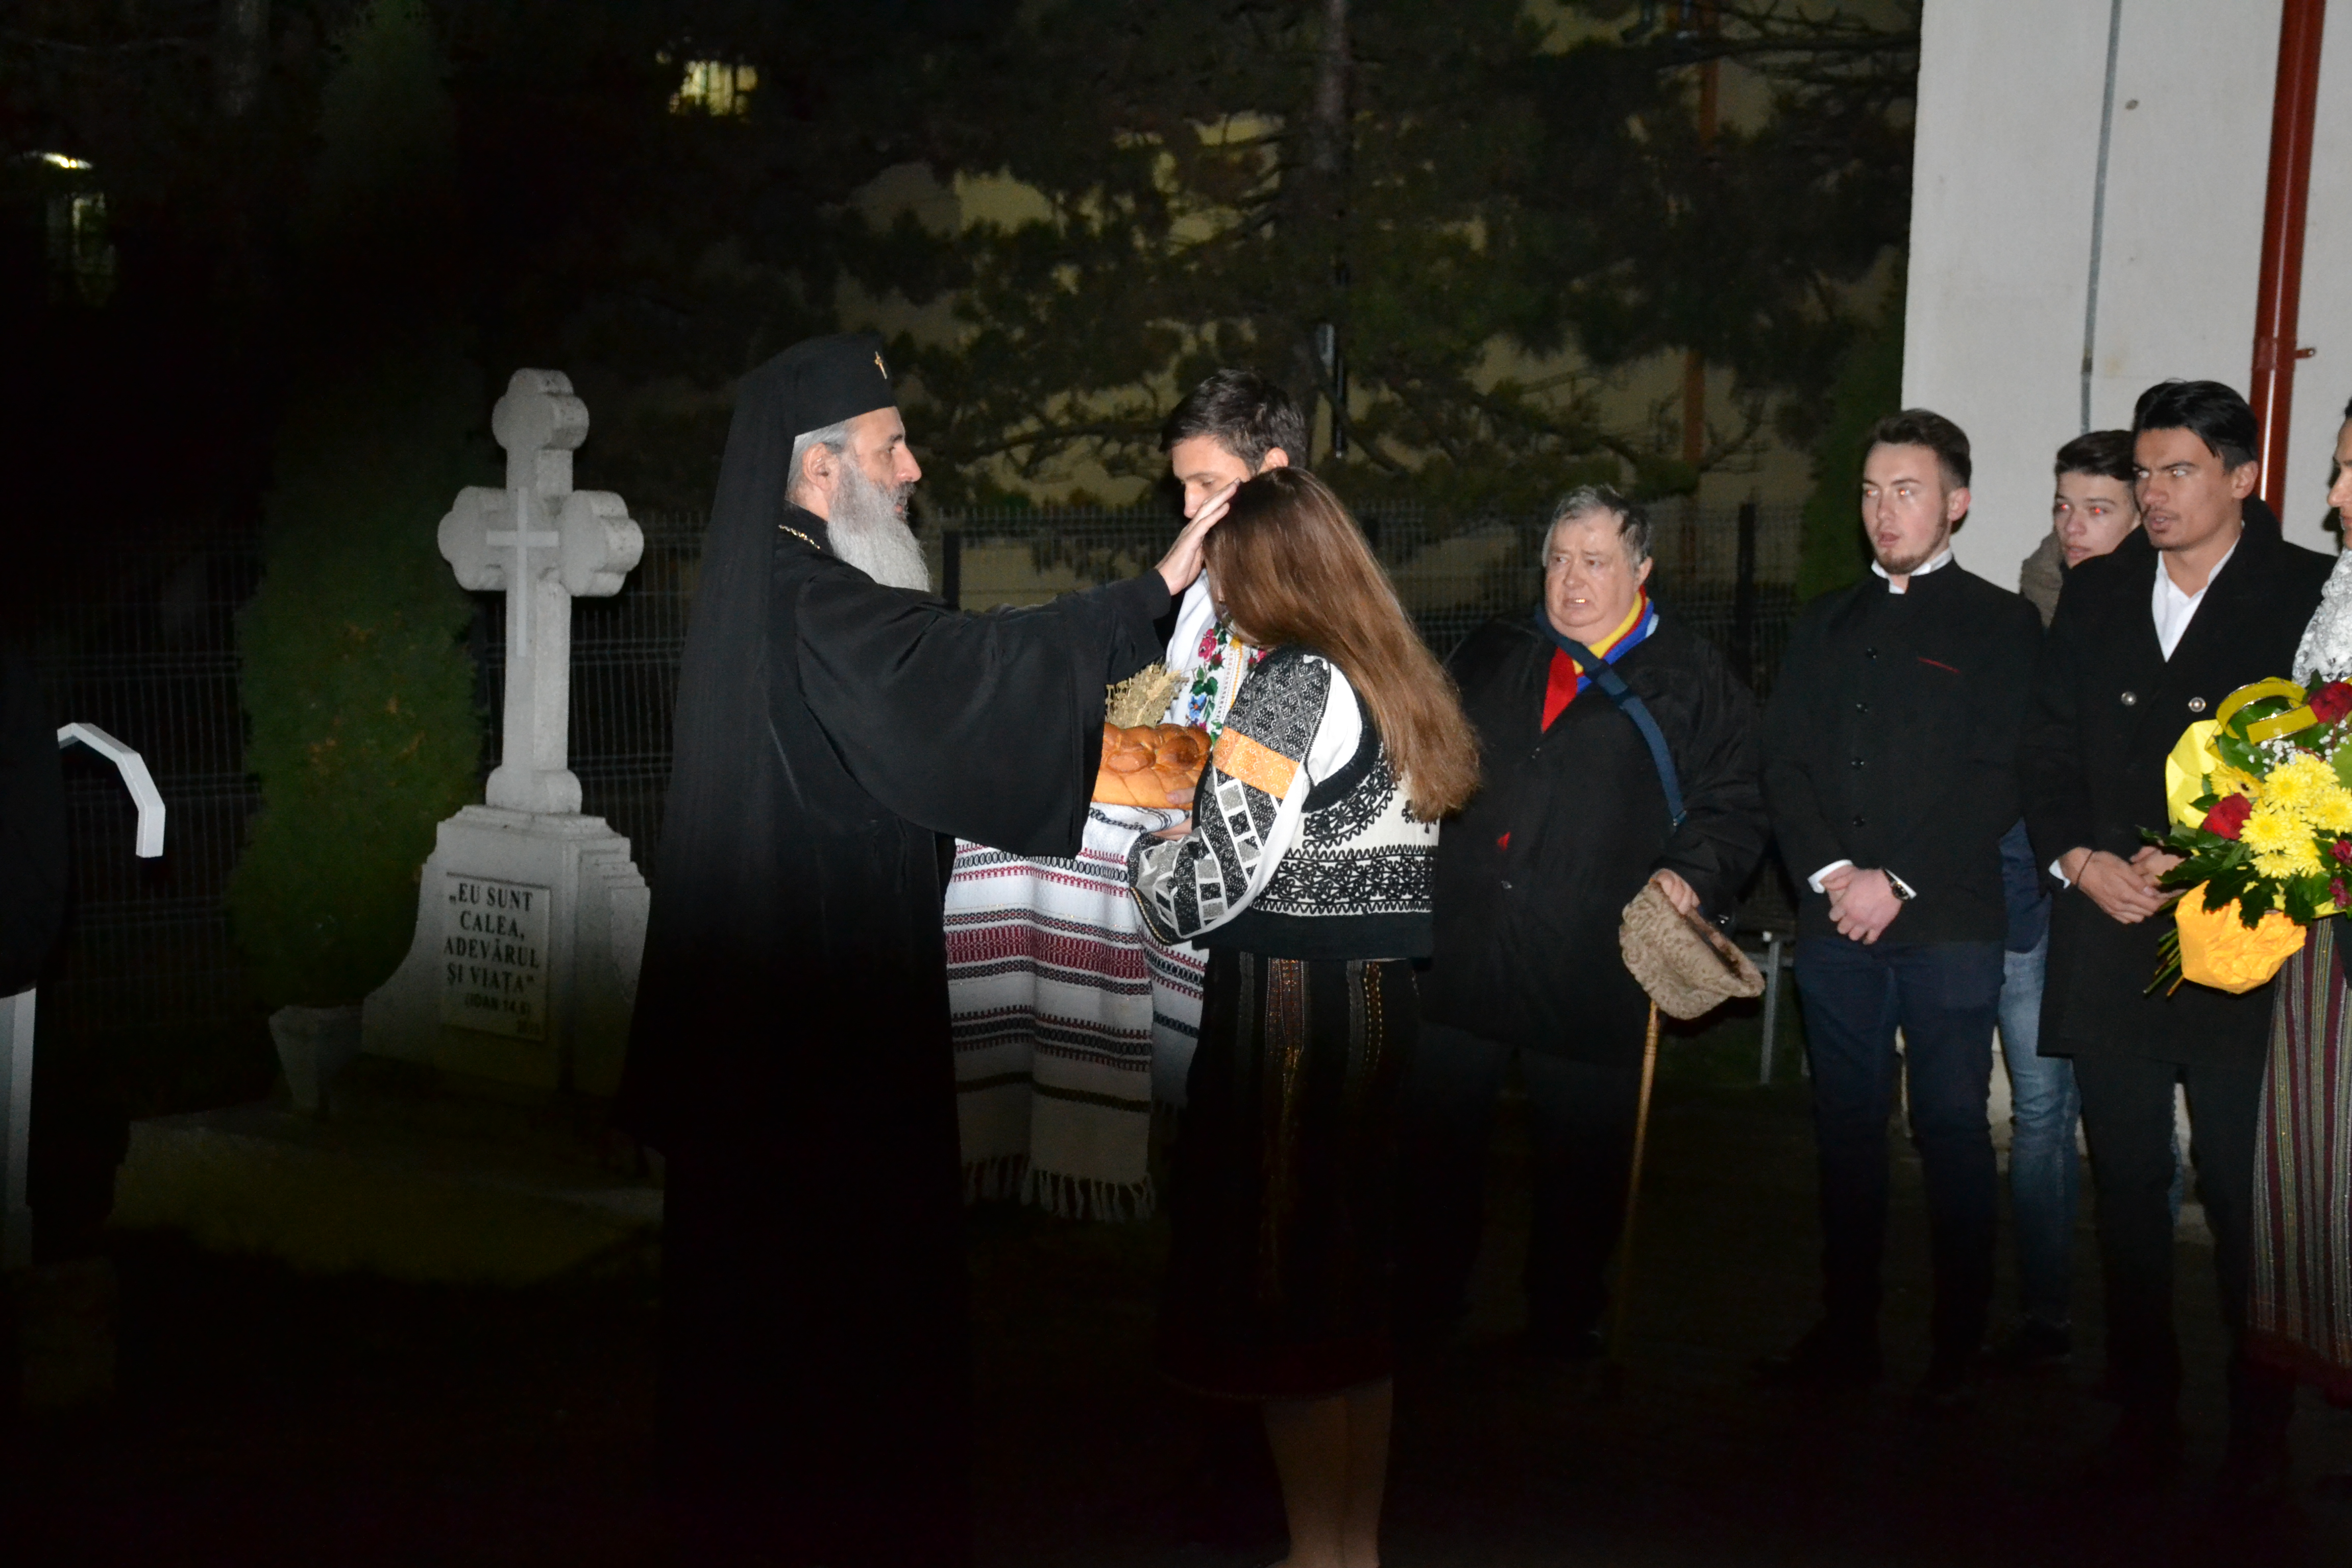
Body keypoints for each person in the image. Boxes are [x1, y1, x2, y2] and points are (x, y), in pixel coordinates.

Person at [616, 332, 1227, 1567]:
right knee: (824, 1322)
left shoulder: (786, 589)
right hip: (816, 1038)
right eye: (892, 449)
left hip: (795, 1012)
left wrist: (1162, 755)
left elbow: (934, 734)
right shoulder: (810, 595)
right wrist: (1152, 588)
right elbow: (968, 678)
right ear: (819, 472)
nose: (914, 470)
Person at [1129, 468, 1479, 1568]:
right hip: (1379, 1004)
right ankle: (1349, 1549)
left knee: (1284, 1297)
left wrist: (1139, 864)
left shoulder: (1290, 686)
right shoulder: (1393, 668)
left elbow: (1212, 880)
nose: (1216, 592)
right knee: (1348, 1294)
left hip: (1289, 1011)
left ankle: (1313, 1555)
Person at [2020, 378, 2330, 1489]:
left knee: (2250, 1199)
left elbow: (2322, 780)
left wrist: (2211, 863)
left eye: (2180, 472)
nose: (2153, 495)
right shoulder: (2097, 594)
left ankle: (2262, 1425)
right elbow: (2045, 747)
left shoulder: (2310, 594)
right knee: (2128, 1185)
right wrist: (2080, 858)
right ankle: (2142, 1404)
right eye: (2143, 474)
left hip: (2244, 944)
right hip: (2109, 928)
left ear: (2245, 478)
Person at [1398, 485, 1768, 1360]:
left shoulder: (1690, 677)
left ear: (1641, 569)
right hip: (1469, 943)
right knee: (1437, 1144)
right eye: (1559, 559)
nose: (1571, 582)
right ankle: (1424, 1299)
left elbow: (1738, 800)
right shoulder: (1497, 650)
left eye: (1595, 562)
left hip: (1591, 954)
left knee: (1581, 1161)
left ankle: (1563, 1319)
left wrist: (1692, 873)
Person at [1758, 409, 2043, 1403]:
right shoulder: (1825, 623)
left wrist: (1898, 881)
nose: (1887, 511)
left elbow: (1998, 773)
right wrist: (1835, 874)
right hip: (1838, 921)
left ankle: (1958, 1339)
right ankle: (1849, 1327)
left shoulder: (2003, 624)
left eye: (1909, 490)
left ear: (1956, 504)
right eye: (1874, 492)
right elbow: (1785, 762)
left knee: (1954, 1129)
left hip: (1949, 924)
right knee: (1844, 1126)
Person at [1994, 428, 2145, 1371]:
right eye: (2063, 507)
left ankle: (2142, 1316)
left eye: (2097, 510)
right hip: (2027, 887)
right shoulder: (2022, 610)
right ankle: (2045, 1309)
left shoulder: (2158, 614)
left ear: (2140, 517)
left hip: (2121, 895)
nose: (2074, 528)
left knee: (2127, 1114)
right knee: (2041, 1109)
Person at [2246, 394, 2352, 1487]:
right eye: (2334, 469)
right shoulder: (2343, 594)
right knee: (2323, 1166)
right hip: (2328, 933)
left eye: (2350, 471)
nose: (2332, 498)